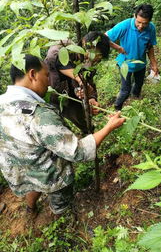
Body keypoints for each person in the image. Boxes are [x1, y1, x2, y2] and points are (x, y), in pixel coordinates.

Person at [0, 55, 125, 216]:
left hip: (16, 169)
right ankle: (62, 216)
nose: (49, 81)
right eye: (46, 75)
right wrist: (109, 127)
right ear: (32, 75)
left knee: (32, 184)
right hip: (48, 173)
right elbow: (77, 151)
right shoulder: (39, 115)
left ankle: (30, 208)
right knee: (60, 199)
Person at [44, 31, 110, 133]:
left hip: (71, 98)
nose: (95, 59)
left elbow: (89, 81)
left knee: (83, 121)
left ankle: (88, 134)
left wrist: (91, 97)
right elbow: (55, 59)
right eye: (94, 53)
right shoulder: (65, 46)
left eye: (99, 58)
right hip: (51, 94)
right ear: (84, 43)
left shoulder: (90, 63)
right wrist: (80, 80)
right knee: (56, 126)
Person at [106, 4, 159, 110]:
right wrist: (118, 48)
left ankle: (134, 102)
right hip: (125, 64)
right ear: (134, 16)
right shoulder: (124, 26)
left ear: (149, 21)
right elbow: (104, 37)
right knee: (125, 89)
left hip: (140, 64)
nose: (140, 26)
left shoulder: (151, 28)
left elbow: (150, 47)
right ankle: (117, 108)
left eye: (144, 23)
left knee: (139, 85)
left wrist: (154, 64)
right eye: (138, 22)